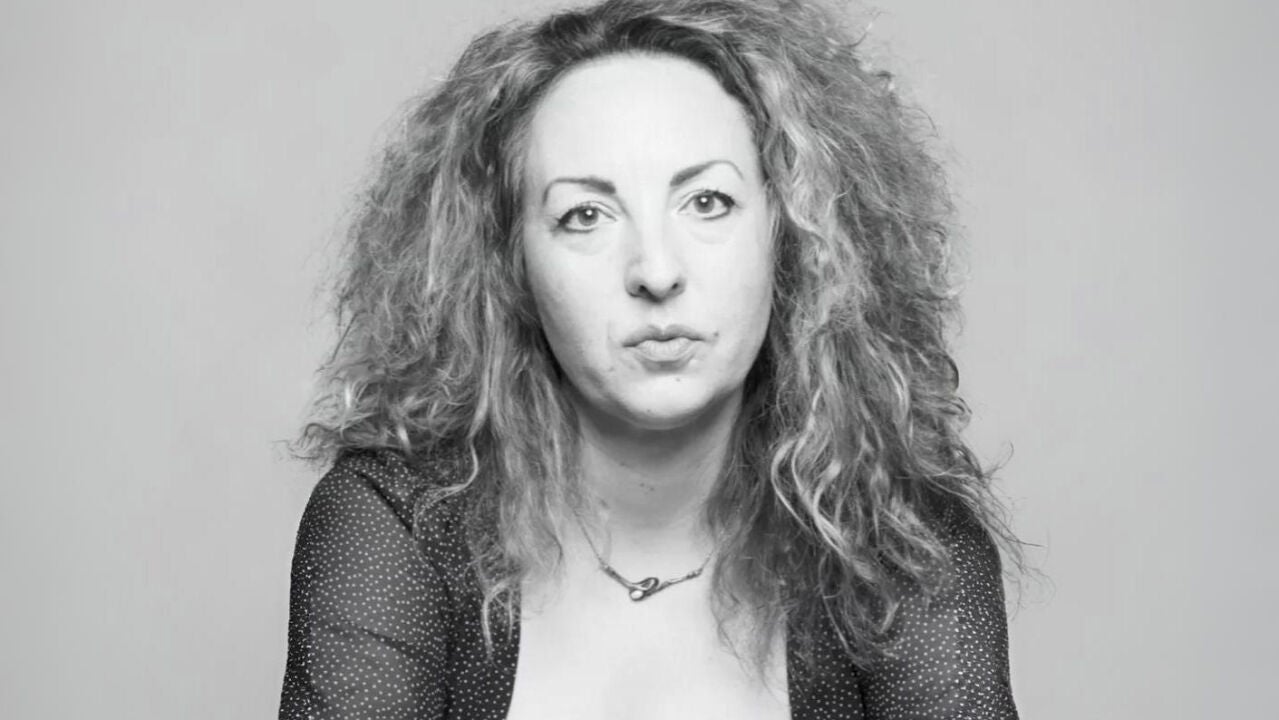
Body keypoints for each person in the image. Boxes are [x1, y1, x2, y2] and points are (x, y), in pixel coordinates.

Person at [280, 0, 1022, 717]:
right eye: (585, 215)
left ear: (790, 234)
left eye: (707, 202)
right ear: (510, 265)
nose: (656, 271)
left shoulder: (903, 544)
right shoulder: (401, 524)